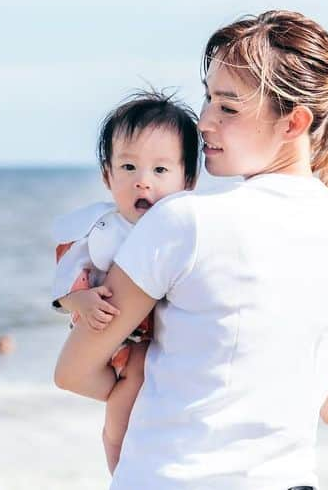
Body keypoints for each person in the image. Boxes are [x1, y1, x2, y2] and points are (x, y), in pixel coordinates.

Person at [54, 10, 328, 490]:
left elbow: (72, 372)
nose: (205, 122)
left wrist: (132, 388)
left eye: (228, 108)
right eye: (209, 99)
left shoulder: (183, 222)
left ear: (294, 122)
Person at [50, 91, 200, 473]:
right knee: (120, 404)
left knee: (134, 387)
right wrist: (78, 300)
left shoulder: (184, 232)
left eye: (160, 171)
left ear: (189, 179)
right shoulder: (102, 228)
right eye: (129, 168)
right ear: (107, 175)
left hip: (149, 347)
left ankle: (124, 452)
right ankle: (118, 466)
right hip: (113, 336)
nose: (142, 183)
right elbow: (67, 270)